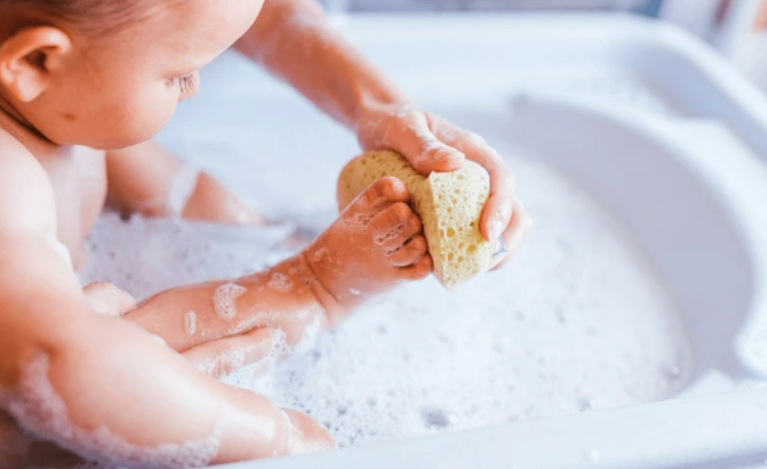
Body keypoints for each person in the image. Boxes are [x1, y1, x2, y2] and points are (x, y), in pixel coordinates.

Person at [0, 0, 533, 466]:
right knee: (103, 351)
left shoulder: (60, 107)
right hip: (30, 406)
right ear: (35, 62)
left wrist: (263, 234)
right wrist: (271, 434)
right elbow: (63, 365)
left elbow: (178, 186)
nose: (196, 88)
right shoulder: (9, 180)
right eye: (181, 76)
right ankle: (315, 289)